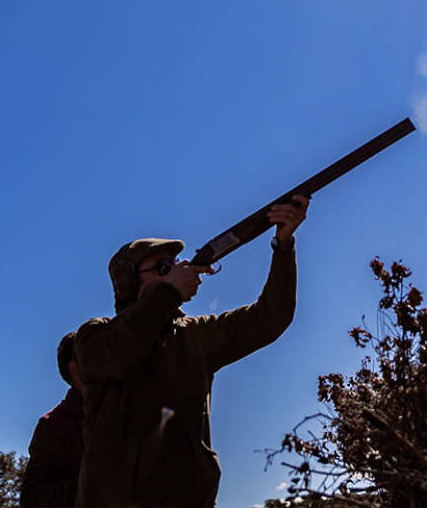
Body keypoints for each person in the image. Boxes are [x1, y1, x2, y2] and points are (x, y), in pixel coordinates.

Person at [74, 195, 309, 508]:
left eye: (172, 266)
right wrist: (170, 292)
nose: (172, 272)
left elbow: (271, 318)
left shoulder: (196, 334)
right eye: (161, 268)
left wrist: (283, 244)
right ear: (128, 281)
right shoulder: (94, 337)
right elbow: (123, 350)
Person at [20, 332, 85, 508]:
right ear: (75, 370)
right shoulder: (53, 425)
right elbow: (33, 498)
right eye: (98, 355)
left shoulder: (127, 405)